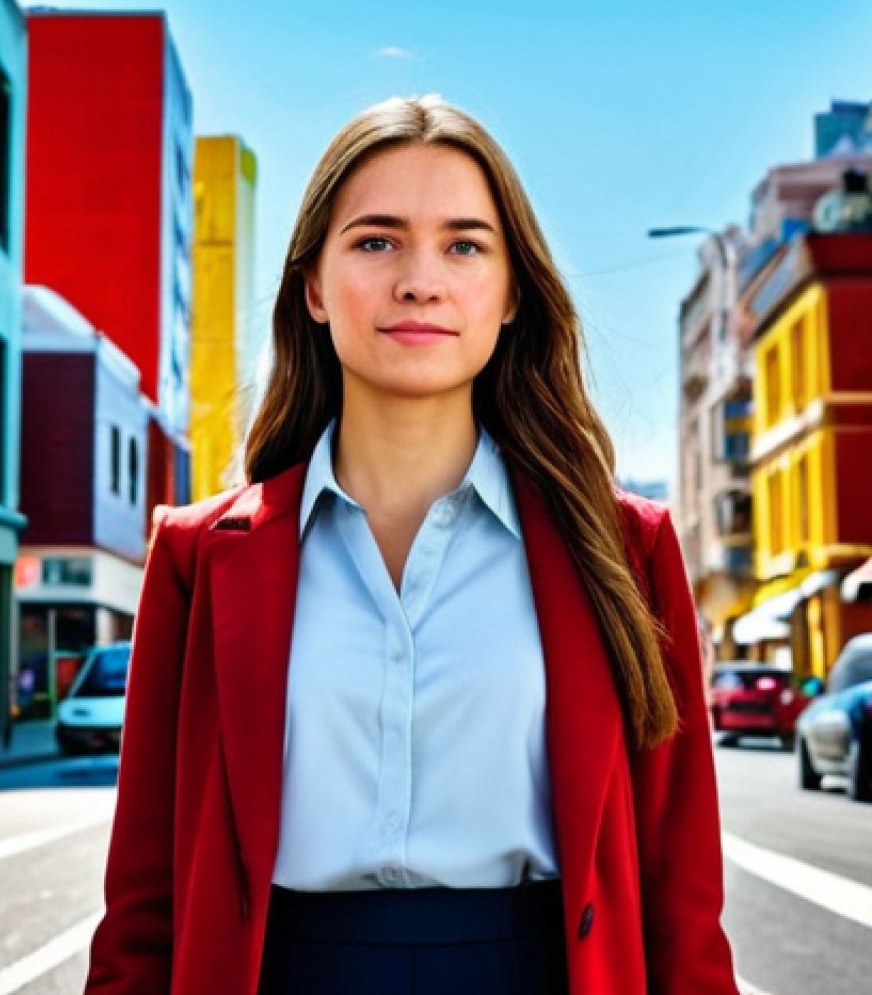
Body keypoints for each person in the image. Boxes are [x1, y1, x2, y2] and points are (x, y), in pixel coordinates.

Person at [84, 95, 740, 995]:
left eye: (465, 245)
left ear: (512, 292)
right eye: (376, 241)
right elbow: (143, 906)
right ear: (313, 287)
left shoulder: (624, 549)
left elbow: (682, 902)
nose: (420, 279)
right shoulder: (199, 558)